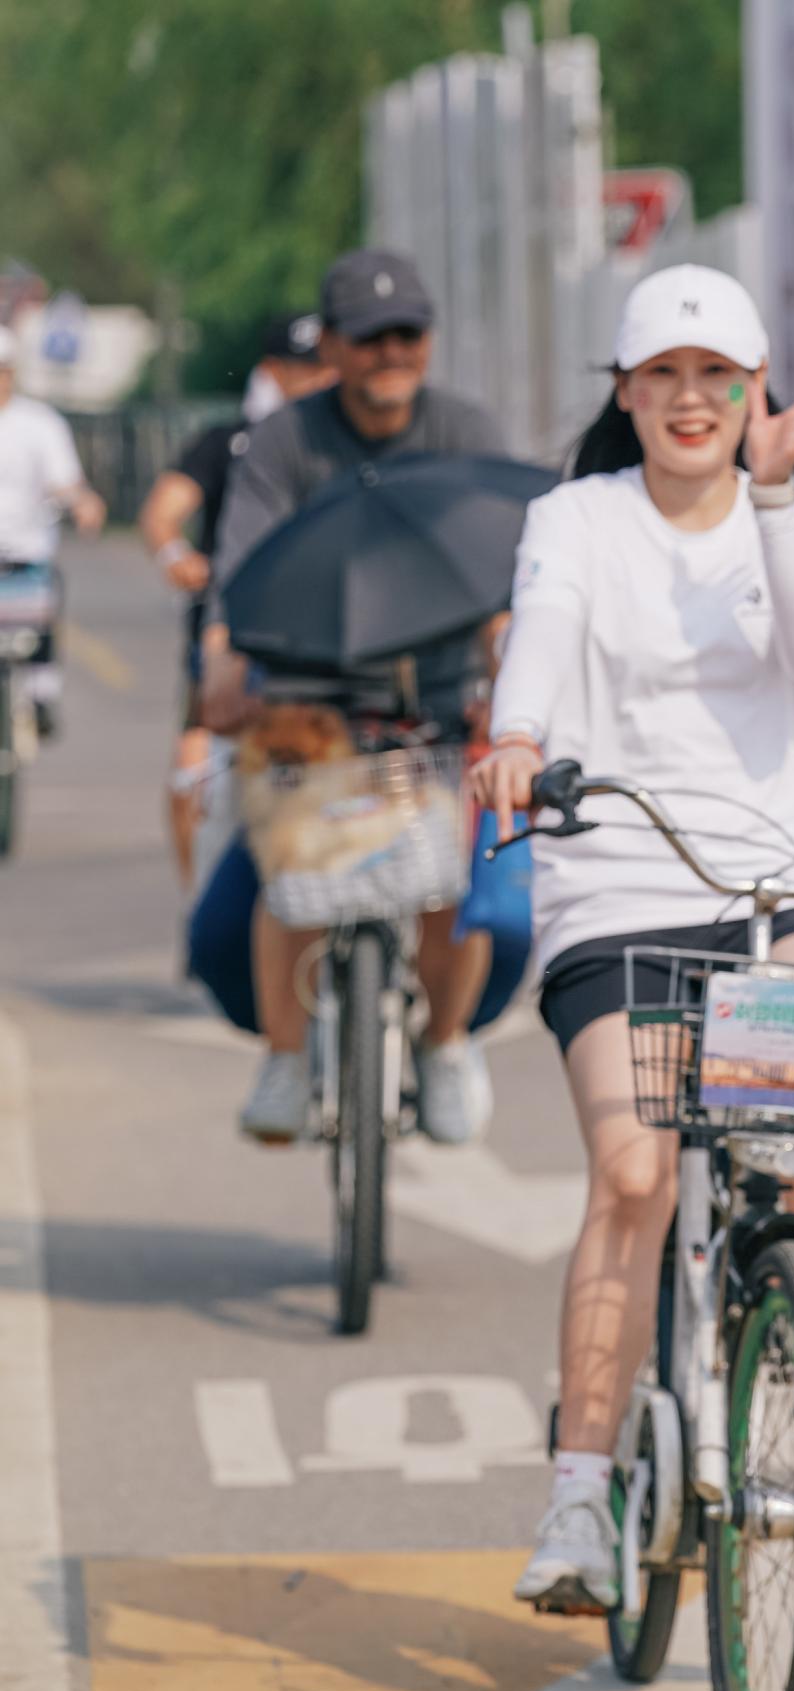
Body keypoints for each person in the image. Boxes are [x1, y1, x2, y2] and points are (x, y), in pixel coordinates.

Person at [466, 264, 794, 1614]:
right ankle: (581, 1500)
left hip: (779, 877)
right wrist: (520, 737)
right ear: (626, 392)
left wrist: (770, 495)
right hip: (616, 886)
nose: (693, 399)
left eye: (720, 375)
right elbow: (543, 633)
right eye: (667, 375)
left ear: (755, 389)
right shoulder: (575, 519)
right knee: (635, 1170)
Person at [193, 249, 513, 1146]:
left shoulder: (467, 430)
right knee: (295, 873)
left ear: (429, 342)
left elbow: (514, 569)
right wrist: (220, 663)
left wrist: (517, 682)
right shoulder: (286, 442)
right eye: (368, 338)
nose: (389, 354)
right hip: (308, 696)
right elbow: (237, 575)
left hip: (438, 697)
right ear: (330, 345)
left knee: (455, 883)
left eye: (406, 334)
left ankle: (446, 1046)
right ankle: (287, 1059)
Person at [139, 312, 334, 888]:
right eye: (301, 369)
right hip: (230, 633)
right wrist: (174, 554)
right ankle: (196, 900)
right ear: (273, 372)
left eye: (322, 367)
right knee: (192, 778)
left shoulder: (340, 447)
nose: (315, 380)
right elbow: (162, 511)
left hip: (317, 634)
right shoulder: (230, 442)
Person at [0, 323, 107, 738]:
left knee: (42, 623)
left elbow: (65, 480)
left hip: (25, 554)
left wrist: (83, 503)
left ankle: (42, 697)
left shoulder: (38, 422)